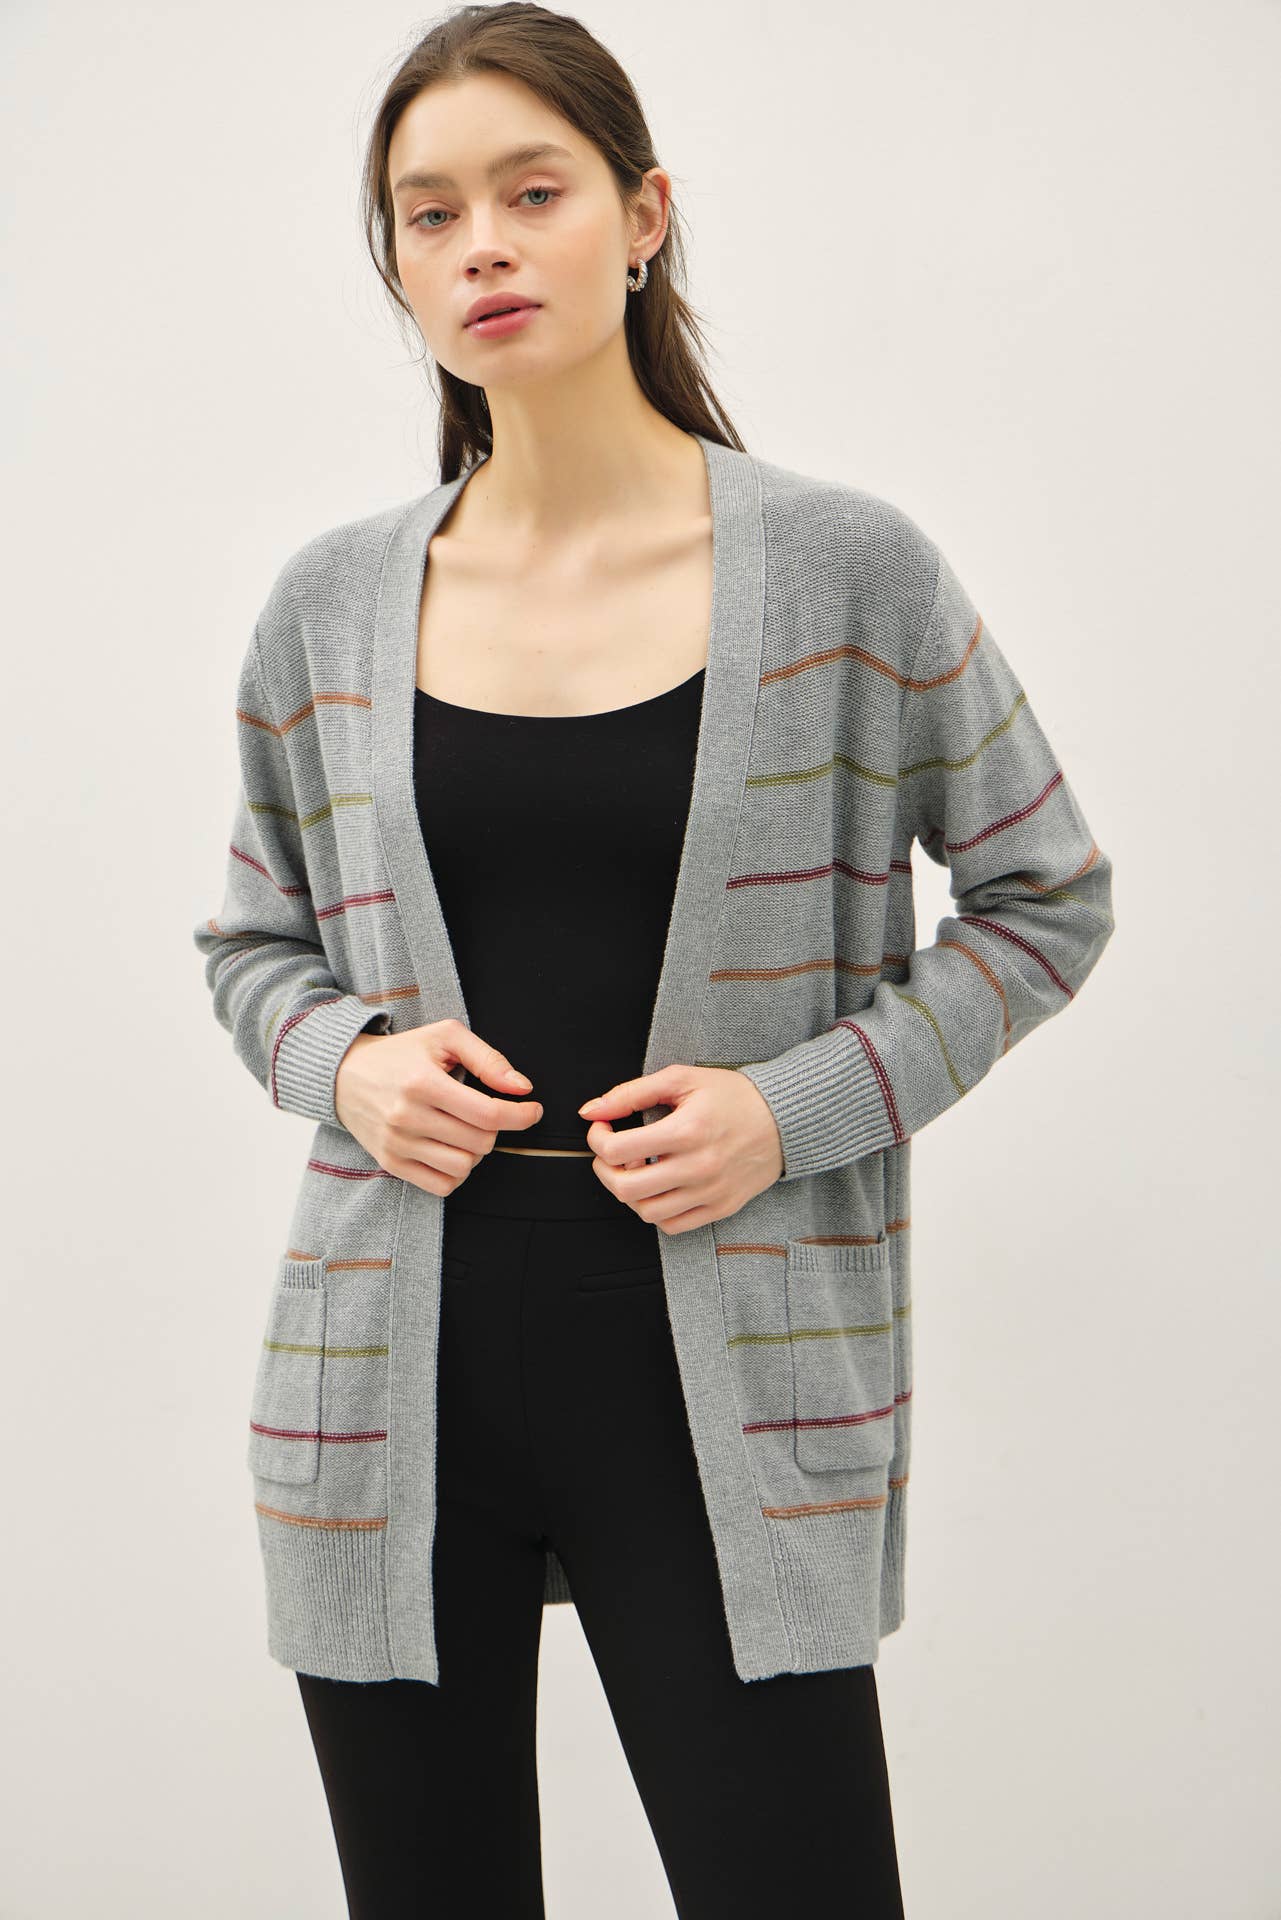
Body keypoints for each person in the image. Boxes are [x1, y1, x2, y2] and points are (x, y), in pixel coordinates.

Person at [195, 6, 1114, 1915]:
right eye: (429, 214)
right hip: (389, 1380)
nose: (482, 245)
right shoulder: (328, 606)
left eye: (531, 193)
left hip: (729, 1378)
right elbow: (253, 940)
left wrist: (796, 1110)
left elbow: (1046, 898)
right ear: (399, 268)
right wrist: (345, 1062)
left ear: (642, 216)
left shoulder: (849, 571)